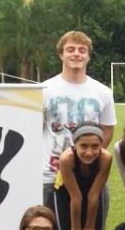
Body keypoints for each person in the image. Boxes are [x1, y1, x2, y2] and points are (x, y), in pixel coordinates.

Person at [42, 30, 115, 206]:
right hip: (51, 175)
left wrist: (87, 158)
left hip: (89, 175)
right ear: (61, 54)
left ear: (88, 56)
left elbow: (107, 130)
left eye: (82, 50)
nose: (76, 54)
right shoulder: (44, 90)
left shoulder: (103, 92)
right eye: (71, 49)